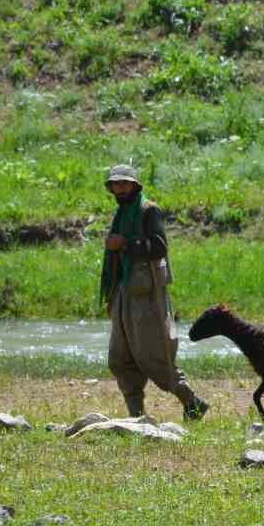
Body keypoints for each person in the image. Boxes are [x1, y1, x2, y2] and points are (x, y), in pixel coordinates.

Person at [100, 164, 208, 421]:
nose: (120, 188)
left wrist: (125, 244)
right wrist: (113, 298)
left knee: (154, 356)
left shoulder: (149, 211)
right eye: (116, 184)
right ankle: (137, 417)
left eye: (124, 183)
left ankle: (192, 403)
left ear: (135, 186)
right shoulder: (121, 213)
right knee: (119, 359)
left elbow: (159, 247)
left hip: (148, 296)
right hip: (124, 294)